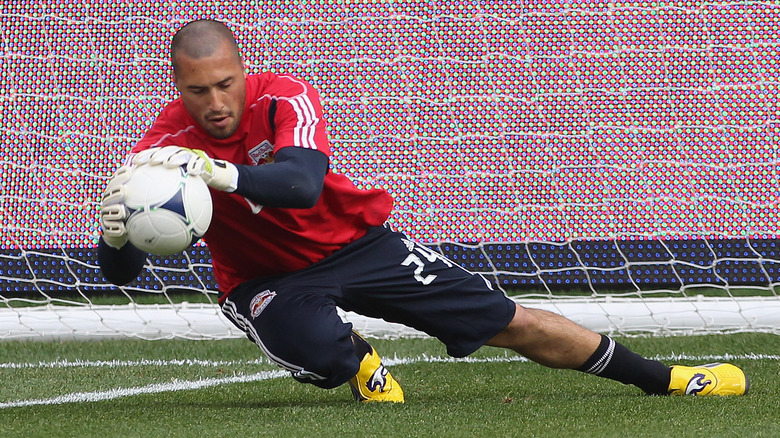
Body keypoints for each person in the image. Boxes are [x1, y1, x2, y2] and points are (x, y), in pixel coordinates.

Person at [98, 19, 748, 402]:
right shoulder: (160, 150)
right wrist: (115, 233)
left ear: (244, 70)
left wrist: (218, 172)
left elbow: (299, 184)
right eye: (196, 89)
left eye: (224, 83)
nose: (214, 101)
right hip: (267, 282)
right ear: (176, 85)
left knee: (509, 321)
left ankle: (670, 379)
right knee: (325, 358)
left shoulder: (284, 97)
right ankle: (360, 359)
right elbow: (124, 273)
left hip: (358, 244)